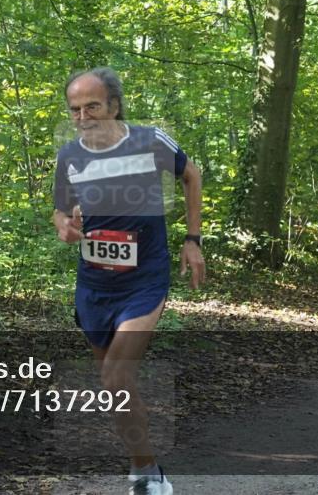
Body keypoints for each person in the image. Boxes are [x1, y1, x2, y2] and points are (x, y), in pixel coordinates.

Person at [53, 67, 204, 495]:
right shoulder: (69, 155)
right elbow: (60, 210)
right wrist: (63, 224)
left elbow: (191, 175)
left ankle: (145, 475)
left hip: (145, 279)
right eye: (75, 109)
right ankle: (145, 464)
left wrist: (192, 240)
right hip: (94, 284)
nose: (83, 117)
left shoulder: (150, 140)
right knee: (116, 385)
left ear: (114, 105)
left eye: (92, 106)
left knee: (116, 377)